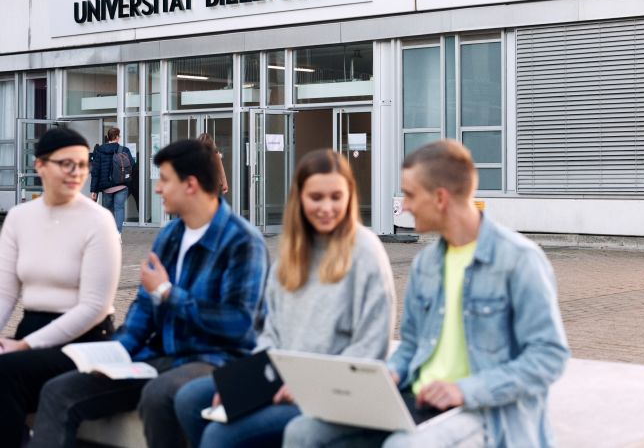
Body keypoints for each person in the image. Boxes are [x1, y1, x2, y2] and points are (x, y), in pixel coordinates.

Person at [284, 139, 570, 448]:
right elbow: (411, 347)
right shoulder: (427, 264)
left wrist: (464, 389)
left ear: (440, 198)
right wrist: (389, 375)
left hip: (484, 410)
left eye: (409, 194)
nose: (403, 205)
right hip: (416, 401)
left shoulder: (518, 259)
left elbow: (548, 356)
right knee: (303, 433)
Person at [29, 139, 269, 448]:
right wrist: (114, 354)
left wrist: (170, 293)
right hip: (159, 356)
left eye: (165, 180)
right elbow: (144, 308)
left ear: (191, 184)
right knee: (60, 390)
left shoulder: (242, 242)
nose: (158, 188)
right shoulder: (170, 235)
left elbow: (239, 324)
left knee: (161, 395)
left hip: (214, 359)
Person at [174, 148, 396, 448]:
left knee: (220, 437)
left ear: (349, 197)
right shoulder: (290, 254)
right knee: (190, 400)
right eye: (316, 198)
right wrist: (246, 383)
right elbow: (271, 333)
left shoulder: (365, 251)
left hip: (334, 391)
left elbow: (371, 347)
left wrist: (308, 386)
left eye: (336, 197)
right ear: (300, 199)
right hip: (280, 378)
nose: (327, 207)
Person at [0, 127, 120, 447]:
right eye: (66, 163)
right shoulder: (19, 217)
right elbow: (5, 292)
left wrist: (25, 346)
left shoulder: (99, 221)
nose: (76, 172)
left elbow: (94, 307)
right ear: (40, 165)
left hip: (85, 339)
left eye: (83, 164)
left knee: (4, 372)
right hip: (33, 327)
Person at [90, 127, 135, 233]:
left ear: (108, 137)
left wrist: (93, 191)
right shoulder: (124, 150)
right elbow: (132, 165)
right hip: (122, 185)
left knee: (107, 210)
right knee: (119, 208)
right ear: (117, 137)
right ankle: (117, 234)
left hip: (106, 187)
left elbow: (95, 172)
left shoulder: (100, 151)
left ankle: (108, 234)